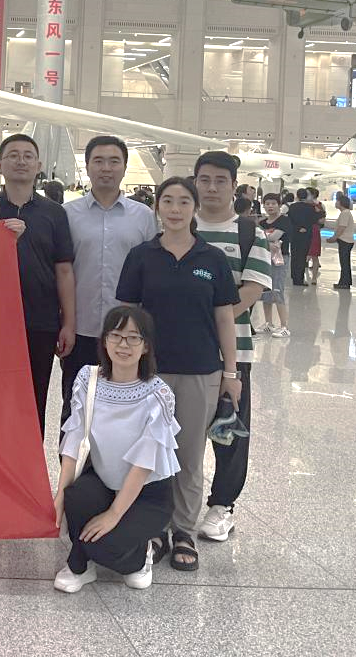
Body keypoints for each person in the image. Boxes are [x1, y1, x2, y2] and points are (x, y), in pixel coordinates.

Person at [116, 177, 240, 572]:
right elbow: (127, 316)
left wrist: (231, 372)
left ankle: (183, 530)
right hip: (149, 373)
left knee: (188, 455)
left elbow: (225, 318)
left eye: (184, 201)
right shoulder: (141, 256)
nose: (175, 209)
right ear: (157, 207)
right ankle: (153, 529)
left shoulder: (212, 259)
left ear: (194, 208)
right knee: (148, 454)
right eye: (167, 201)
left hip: (201, 371)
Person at [52, 306, 179, 594]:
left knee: (107, 546)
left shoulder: (158, 394)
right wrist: (59, 495)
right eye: (116, 335)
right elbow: (74, 439)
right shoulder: (87, 379)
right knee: (75, 497)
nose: (123, 344)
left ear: (146, 346)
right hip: (102, 481)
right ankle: (80, 565)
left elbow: (143, 465)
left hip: (147, 494)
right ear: (105, 340)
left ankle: (138, 556)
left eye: (133, 337)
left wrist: (114, 514)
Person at [191, 152, 271, 543]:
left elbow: (252, 289)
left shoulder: (249, 232)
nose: (211, 188)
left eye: (220, 180)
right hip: (180, 351)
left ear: (234, 186)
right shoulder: (180, 223)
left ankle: (222, 505)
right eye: (204, 180)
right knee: (177, 428)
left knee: (230, 428)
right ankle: (173, 502)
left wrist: (210, 321)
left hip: (232, 352)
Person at [60, 136, 157, 428]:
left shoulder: (143, 216)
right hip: (81, 329)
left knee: (126, 410)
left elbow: (150, 272)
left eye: (114, 161)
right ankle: (72, 458)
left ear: (124, 167)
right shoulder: (68, 214)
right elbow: (62, 271)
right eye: (98, 161)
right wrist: (65, 323)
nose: (106, 168)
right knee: (76, 407)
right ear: (87, 166)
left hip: (129, 334)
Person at [0, 133, 76, 434]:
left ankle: (31, 463)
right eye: (13, 155)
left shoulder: (54, 213)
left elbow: (64, 270)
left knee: (34, 400)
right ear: (0, 165)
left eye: (28, 156)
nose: (21, 161)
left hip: (40, 321)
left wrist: (68, 323)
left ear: (39, 165)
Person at [257, 193, 292, 337]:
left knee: (277, 290)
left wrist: (262, 236)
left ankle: (284, 326)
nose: (270, 206)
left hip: (280, 259)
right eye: (267, 204)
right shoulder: (263, 222)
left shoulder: (284, 221)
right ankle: (268, 323)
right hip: (265, 258)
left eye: (273, 203)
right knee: (266, 291)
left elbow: (274, 236)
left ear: (279, 205)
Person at [286, 189, 318, 286]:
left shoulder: (292, 207)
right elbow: (314, 220)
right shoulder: (311, 207)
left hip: (295, 234)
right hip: (306, 234)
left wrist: (298, 228)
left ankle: (294, 276)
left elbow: (290, 220)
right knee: (302, 256)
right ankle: (300, 278)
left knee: (294, 255)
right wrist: (305, 227)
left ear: (297, 196)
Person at [326, 192, 355, 290]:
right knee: (345, 262)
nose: (336, 203)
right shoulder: (345, 213)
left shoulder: (345, 213)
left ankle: (344, 282)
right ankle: (345, 281)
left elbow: (342, 227)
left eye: (337, 201)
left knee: (344, 263)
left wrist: (334, 237)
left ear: (341, 203)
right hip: (346, 240)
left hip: (345, 241)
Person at [306, 187, 325, 285]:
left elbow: (322, 220)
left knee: (314, 255)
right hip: (308, 230)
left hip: (314, 230)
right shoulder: (304, 205)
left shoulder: (319, 205)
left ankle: (314, 277)